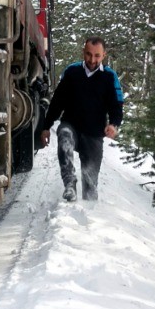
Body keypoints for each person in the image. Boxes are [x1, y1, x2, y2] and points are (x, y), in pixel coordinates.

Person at [39, 36, 124, 202]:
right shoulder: (72, 72)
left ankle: (89, 215)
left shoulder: (109, 77)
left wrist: (114, 124)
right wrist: (46, 126)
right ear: (83, 52)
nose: (92, 60)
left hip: (94, 133)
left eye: (97, 56)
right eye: (88, 54)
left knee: (90, 186)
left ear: (104, 55)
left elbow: (116, 105)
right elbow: (57, 102)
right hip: (72, 125)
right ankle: (69, 183)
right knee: (64, 135)